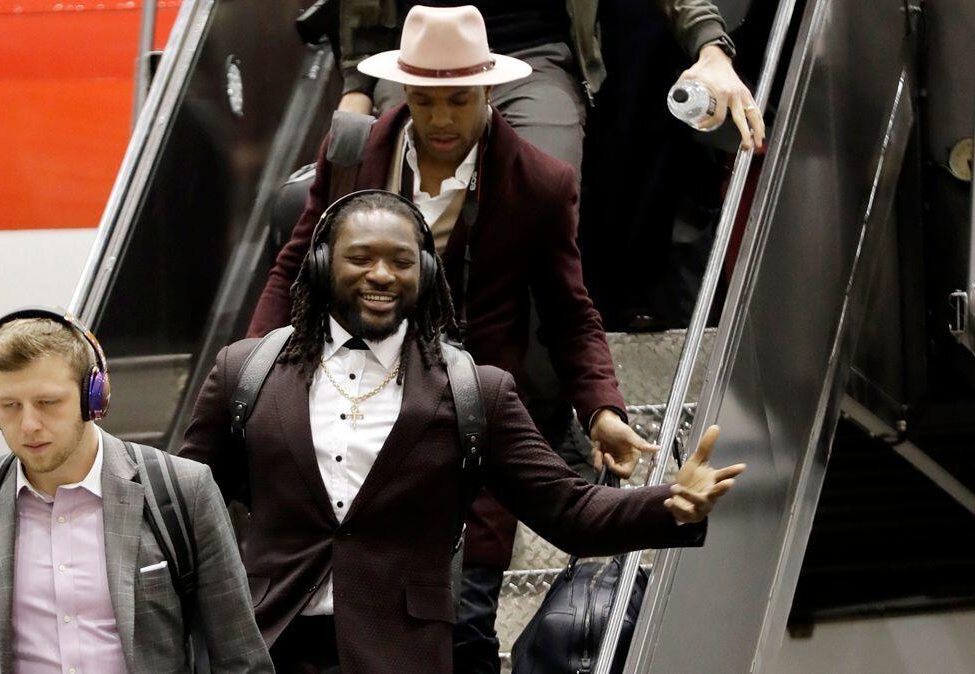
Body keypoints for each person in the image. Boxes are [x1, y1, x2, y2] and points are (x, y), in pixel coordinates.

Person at [185, 190, 746, 673]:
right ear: (323, 265)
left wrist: (672, 504)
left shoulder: (476, 391)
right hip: (265, 649)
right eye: (360, 257)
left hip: (403, 657)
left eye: (401, 261)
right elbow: (183, 513)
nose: (381, 274)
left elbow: (570, 512)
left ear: (425, 274)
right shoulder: (247, 371)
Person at [249, 7, 655, 670]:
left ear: (488, 92)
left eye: (458, 102)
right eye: (424, 100)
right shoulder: (354, 153)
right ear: (403, 91)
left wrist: (602, 409)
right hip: (352, 428)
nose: (440, 120)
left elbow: (570, 313)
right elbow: (295, 264)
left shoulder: (537, 183)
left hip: (467, 437)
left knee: (462, 630)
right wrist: (254, 369)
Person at [0, 308, 273, 673]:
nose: (29, 424)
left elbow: (241, 659)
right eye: (9, 406)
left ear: (93, 397)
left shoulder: (182, 490)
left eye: (48, 403)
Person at [337, 1, 765, 171]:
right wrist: (356, 88)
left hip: (532, 59)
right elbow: (363, 11)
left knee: (545, 188)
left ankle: (534, 361)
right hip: (420, 61)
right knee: (399, 204)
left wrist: (712, 48)